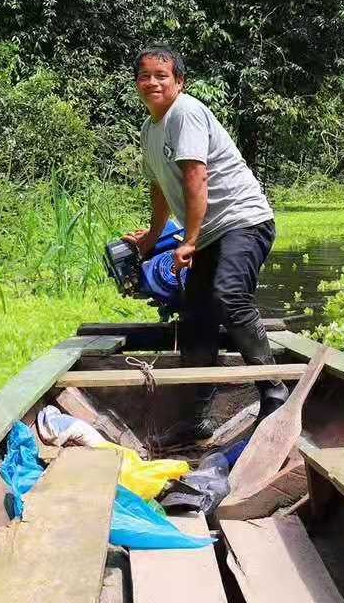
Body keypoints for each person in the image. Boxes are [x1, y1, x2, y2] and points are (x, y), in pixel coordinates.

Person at [122, 45, 286, 441]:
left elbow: (197, 177)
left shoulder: (186, 113)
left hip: (243, 221)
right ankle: (196, 416)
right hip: (211, 234)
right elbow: (161, 188)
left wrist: (189, 240)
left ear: (179, 81)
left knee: (230, 296)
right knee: (195, 320)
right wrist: (154, 235)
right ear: (137, 83)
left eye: (162, 75)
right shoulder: (150, 129)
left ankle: (274, 395)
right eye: (145, 76)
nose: (152, 82)